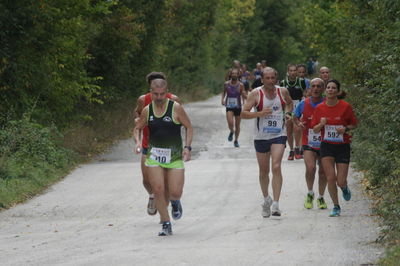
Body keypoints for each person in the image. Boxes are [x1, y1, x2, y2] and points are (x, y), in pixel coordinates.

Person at [134, 78, 193, 236]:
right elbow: (137, 128)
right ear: (151, 92)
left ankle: (175, 202)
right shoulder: (147, 109)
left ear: (167, 92)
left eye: (162, 94)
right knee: (158, 189)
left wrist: (187, 147)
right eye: (156, 94)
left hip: (174, 157)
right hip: (154, 156)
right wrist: (138, 142)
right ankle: (166, 223)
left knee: (175, 192)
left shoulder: (176, 108)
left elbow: (188, 127)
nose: (159, 97)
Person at [241, 67, 293, 217]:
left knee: (276, 166)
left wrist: (288, 113)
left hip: (279, 134)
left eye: (273, 78)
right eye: (267, 78)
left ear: (276, 78)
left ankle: (276, 204)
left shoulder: (282, 91)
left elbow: (289, 103)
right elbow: (243, 113)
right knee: (264, 171)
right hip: (261, 136)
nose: (270, 81)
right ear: (262, 79)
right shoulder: (256, 93)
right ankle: (266, 199)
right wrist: (259, 114)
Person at [134, 72, 181, 216]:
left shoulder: (173, 99)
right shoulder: (143, 100)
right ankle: (153, 195)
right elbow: (137, 113)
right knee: (146, 180)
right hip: (148, 144)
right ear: (150, 88)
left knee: (165, 184)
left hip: (167, 147)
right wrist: (138, 121)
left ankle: (164, 214)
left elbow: (181, 116)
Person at [312, 79, 357, 217]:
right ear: (325, 90)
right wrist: (321, 124)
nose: (330, 90)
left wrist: (345, 128)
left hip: (342, 146)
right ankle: (336, 206)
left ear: (337, 91)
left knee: (340, 180)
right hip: (326, 146)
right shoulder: (319, 108)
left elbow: (354, 124)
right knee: (330, 177)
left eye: (333, 88)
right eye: (328, 88)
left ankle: (344, 187)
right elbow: (314, 129)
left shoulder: (345, 106)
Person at [294, 78, 327, 209]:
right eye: (313, 86)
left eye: (319, 86)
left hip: (325, 142)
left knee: (323, 172)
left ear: (323, 89)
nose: (316, 88)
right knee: (311, 168)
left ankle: (321, 197)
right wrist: (298, 123)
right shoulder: (303, 103)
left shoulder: (327, 103)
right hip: (308, 141)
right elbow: (294, 117)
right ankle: (310, 193)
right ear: (309, 89)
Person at [280, 63, 307, 160]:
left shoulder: (301, 81)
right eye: (290, 70)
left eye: (294, 70)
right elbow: (281, 97)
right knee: (289, 129)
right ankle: (291, 151)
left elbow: (305, 93)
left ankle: (297, 149)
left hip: (298, 107)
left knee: (297, 128)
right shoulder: (283, 83)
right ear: (288, 72)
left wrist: (304, 100)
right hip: (288, 107)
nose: (292, 72)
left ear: (297, 71)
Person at [221, 68, 247, 147]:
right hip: (229, 106)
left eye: (236, 73)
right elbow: (224, 92)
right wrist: (222, 99)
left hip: (238, 106)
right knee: (230, 122)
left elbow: (244, 94)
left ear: (238, 75)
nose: (234, 75)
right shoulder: (226, 84)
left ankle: (236, 140)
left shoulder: (241, 85)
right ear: (230, 74)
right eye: (233, 73)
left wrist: (245, 99)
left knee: (237, 125)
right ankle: (231, 131)